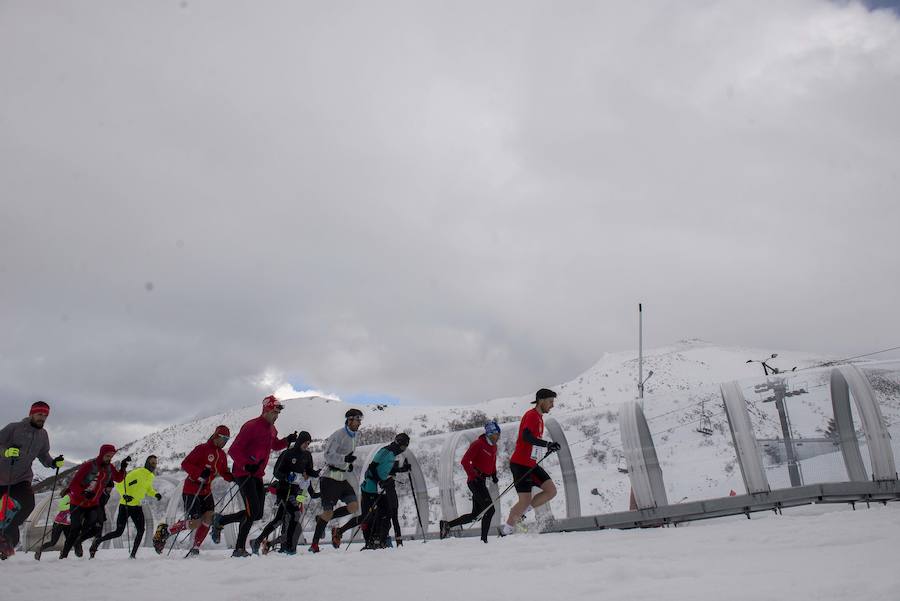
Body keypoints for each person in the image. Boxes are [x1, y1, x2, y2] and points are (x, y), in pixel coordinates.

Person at [212, 396, 297, 557]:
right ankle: (239, 549)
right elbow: (233, 450)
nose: (277, 415)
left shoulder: (272, 429)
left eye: (278, 413)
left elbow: (276, 445)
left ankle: (221, 520)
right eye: (274, 412)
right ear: (266, 410)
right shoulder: (251, 426)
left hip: (257, 474)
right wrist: (246, 464)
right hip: (243, 473)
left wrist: (288, 440)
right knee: (252, 512)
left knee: (257, 514)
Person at [154, 425, 234, 556]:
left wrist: (234, 478)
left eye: (228, 439)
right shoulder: (202, 449)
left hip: (206, 490)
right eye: (224, 438)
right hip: (192, 489)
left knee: (208, 517)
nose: (226, 441)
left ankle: (195, 547)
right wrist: (200, 473)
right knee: (195, 522)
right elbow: (185, 464)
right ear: (217, 436)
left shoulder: (222, 455)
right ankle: (166, 531)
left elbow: (224, 472)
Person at [0, 401, 64, 558]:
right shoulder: (13, 428)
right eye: (39, 414)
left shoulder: (43, 435)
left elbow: (44, 455)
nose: (42, 418)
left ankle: (6, 538)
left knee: (27, 505)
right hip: (1, 476)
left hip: (21, 478)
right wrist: (6, 452)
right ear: (31, 414)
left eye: (45, 415)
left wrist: (53, 463)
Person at [499, 389, 561, 536]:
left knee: (551, 490)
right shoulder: (531, 415)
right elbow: (526, 437)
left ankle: (521, 511)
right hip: (520, 464)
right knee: (524, 500)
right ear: (541, 400)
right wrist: (547, 444)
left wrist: (547, 448)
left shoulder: (540, 419)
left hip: (531, 464)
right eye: (550, 401)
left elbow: (532, 442)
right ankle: (506, 530)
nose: (552, 405)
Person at [251, 431, 319, 555]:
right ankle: (289, 547)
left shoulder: (307, 455)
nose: (306, 445)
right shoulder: (287, 454)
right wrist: (287, 476)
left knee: (279, 519)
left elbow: (308, 472)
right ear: (299, 441)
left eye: (308, 443)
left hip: (298, 491)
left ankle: (258, 541)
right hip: (285, 490)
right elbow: (276, 472)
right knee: (295, 515)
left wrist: (316, 473)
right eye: (305, 442)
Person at [308, 408, 363, 553]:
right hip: (329, 478)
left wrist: (348, 465)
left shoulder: (354, 436)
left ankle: (327, 522)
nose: (359, 423)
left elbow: (347, 456)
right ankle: (314, 544)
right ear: (350, 420)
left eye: (360, 420)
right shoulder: (339, 435)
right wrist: (344, 459)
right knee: (328, 513)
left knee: (353, 507)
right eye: (358, 420)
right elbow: (328, 455)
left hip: (343, 478)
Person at [60, 445, 128, 558]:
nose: (109, 458)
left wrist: (123, 468)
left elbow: (118, 478)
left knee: (95, 528)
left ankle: (78, 542)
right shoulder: (89, 466)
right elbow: (73, 485)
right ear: (102, 454)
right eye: (107, 456)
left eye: (111, 456)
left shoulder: (109, 467)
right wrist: (83, 493)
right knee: (75, 528)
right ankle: (64, 554)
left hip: (93, 504)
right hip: (78, 502)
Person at [440, 420, 501, 543]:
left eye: (498, 434)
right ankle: (484, 540)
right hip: (474, 482)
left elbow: (492, 462)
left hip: (482, 481)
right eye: (496, 434)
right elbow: (465, 461)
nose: (498, 436)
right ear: (489, 433)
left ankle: (447, 525)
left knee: (475, 515)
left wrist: (493, 474)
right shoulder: (478, 444)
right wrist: (473, 474)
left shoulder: (494, 446)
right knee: (490, 510)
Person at [90, 455, 162, 558]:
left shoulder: (150, 476)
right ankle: (98, 541)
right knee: (118, 532)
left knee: (141, 531)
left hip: (137, 506)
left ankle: (133, 555)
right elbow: (120, 484)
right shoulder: (137, 473)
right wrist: (125, 495)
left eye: (155, 463)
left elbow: (148, 489)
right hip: (125, 506)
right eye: (152, 463)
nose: (154, 465)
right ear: (147, 463)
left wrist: (155, 494)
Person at [358, 432, 410, 549]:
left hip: (379, 489)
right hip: (370, 489)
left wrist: (402, 469)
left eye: (405, 447)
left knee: (386, 514)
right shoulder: (385, 451)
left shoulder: (392, 454)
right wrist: (380, 481)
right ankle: (371, 541)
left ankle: (379, 540)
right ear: (398, 444)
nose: (403, 450)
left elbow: (386, 468)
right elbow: (372, 467)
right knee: (370, 516)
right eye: (403, 447)